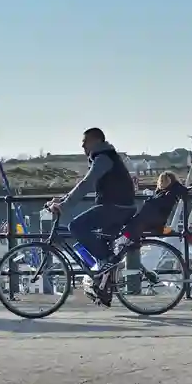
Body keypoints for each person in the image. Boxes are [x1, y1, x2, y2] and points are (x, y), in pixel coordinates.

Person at [47, 128, 136, 304]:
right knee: (100, 241)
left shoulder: (103, 158)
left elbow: (87, 183)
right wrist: (62, 199)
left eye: (85, 141)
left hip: (116, 207)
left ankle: (106, 261)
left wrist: (64, 206)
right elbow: (85, 184)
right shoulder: (105, 156)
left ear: (96, 141)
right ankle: (104, 288)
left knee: (76, 226)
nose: (82, 145)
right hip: (117, 206)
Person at [124, 171, 189, 239]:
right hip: (157, 227)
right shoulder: (171, 192)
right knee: (173, 233)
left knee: (127, 233)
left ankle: (130, 245)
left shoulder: (159, 195)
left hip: (143, 224)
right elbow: (182, 189)